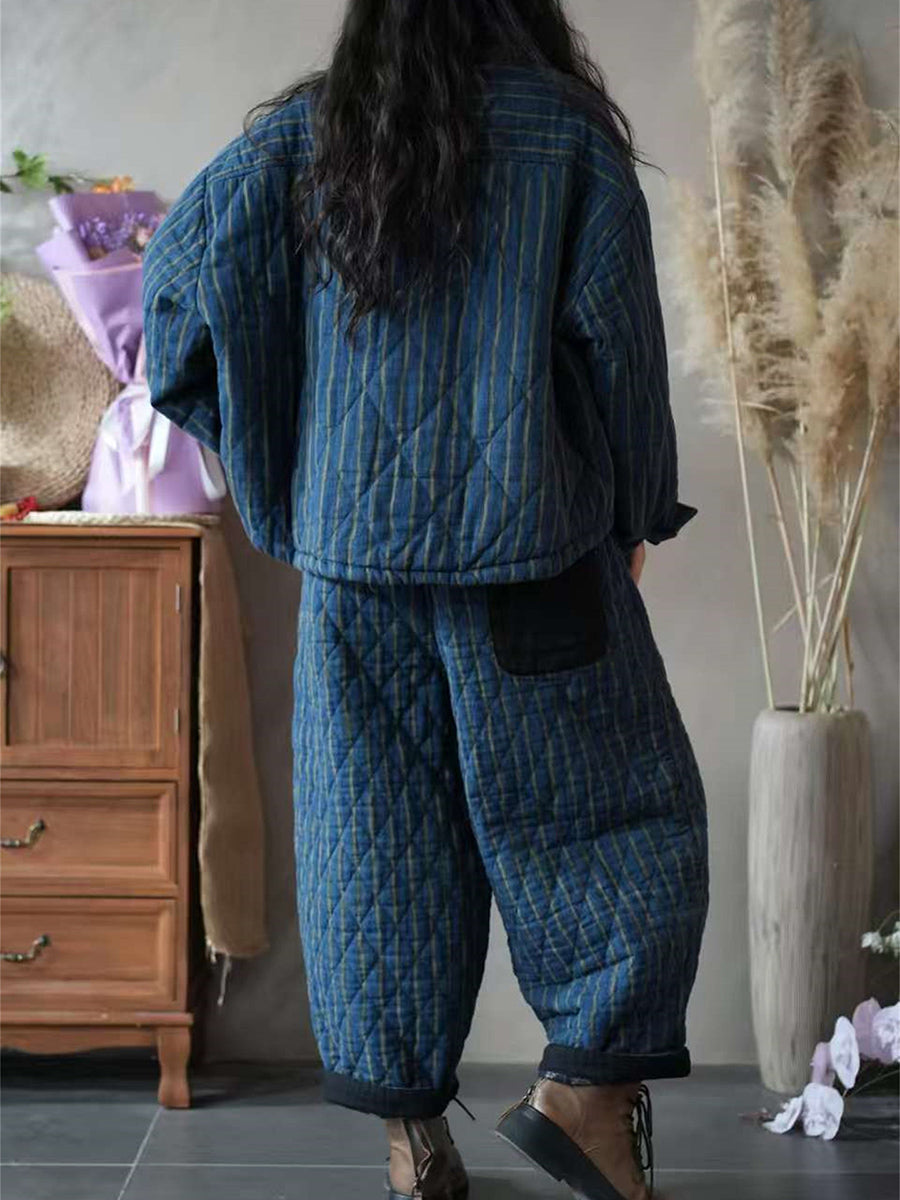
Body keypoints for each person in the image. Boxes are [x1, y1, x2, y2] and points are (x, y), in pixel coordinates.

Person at [142, 2, 710, 1197]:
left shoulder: (295, 142)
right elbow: (620, 355)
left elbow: (177, 308)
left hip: (354, 585)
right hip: (539, 569)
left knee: (374, 852)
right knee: (612, 826)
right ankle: (586, 1103)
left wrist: (281, 468)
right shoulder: (567, 137)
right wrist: (634, 515)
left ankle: (412, 1146)